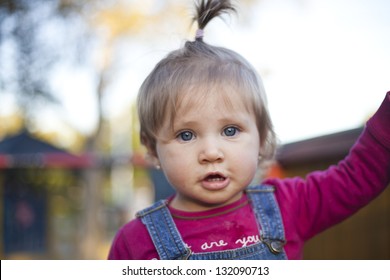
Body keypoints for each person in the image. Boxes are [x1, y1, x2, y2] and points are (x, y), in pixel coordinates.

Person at [108, 0, 390, 260]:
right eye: (186, 135)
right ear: (151, 148)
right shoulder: (135, 242)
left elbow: (358, 176)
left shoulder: (288, 205)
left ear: (261, 138)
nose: (211, 152)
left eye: (230, 131)